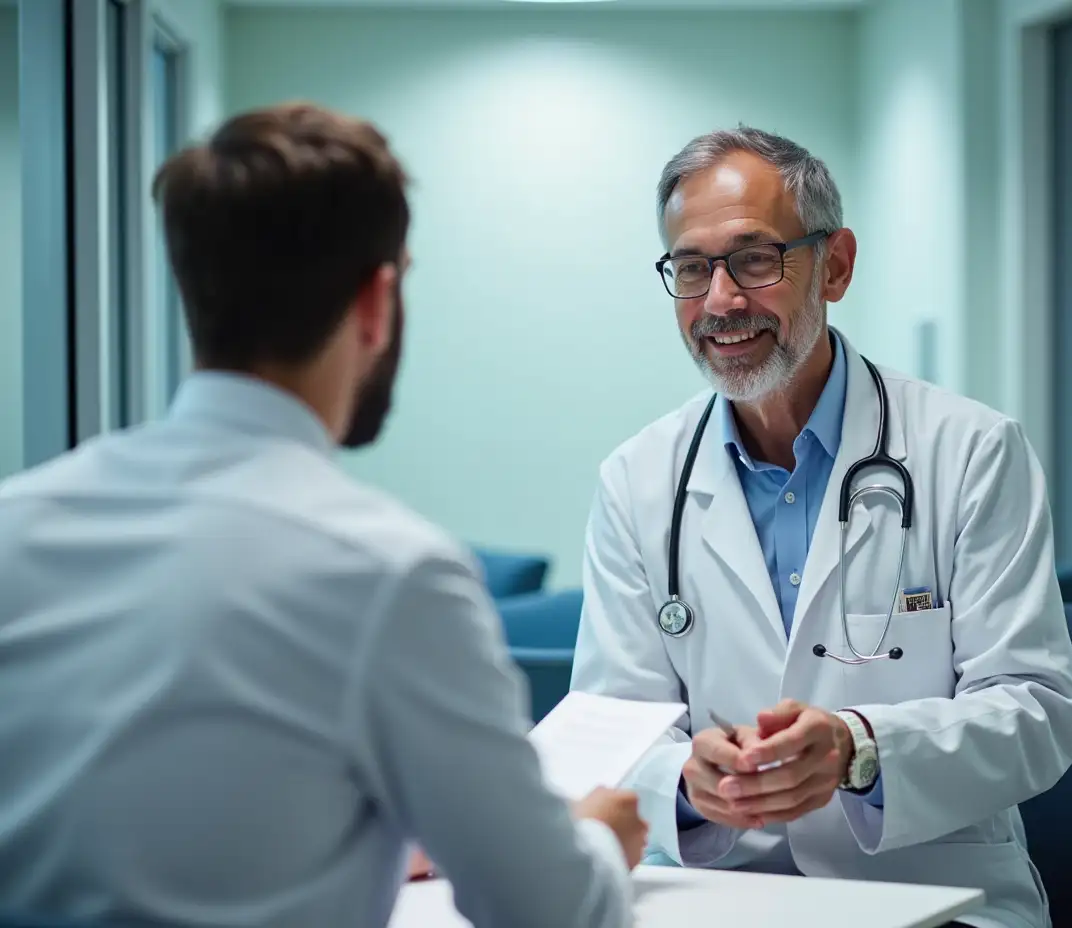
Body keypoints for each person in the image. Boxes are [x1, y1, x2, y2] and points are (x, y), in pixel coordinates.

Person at [0, 103, 643, 928]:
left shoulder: (16, 525)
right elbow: (552, 910)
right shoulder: (390, 575)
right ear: (377, 301)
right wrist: (593, 839)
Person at [569, 126, 1072, 928]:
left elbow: (1039, 710)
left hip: (932, 897)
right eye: (691, 268)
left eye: (754, 259)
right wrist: (685, 781)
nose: (721, 301)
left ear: (835, 265)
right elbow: (611, 731)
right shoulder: (637, 480)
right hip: (719, 902)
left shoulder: (971, 450)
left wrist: (859, 748)